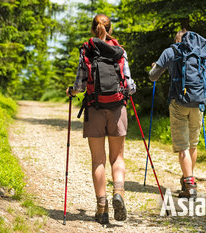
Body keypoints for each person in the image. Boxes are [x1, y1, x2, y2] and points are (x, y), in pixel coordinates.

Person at [66, 14, 136, 224]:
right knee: (117, 157)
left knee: (98, 160)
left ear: (92, 29)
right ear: (110, 29)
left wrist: (71, 91)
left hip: (94, 108)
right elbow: (130, 86)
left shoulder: (86, 50)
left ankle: (102, 208)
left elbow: (79, 86)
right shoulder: (120, 51)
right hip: (117, 108)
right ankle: (119, 193)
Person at [149, 29, 206, 198]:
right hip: (198, 102)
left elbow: (153, 77)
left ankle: (189, 184)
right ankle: (188, 178)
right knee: (192, 143)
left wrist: (155, 67)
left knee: (183, 146)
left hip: (178, 101)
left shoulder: (171, 51)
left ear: (177, 39)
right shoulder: (201, 52)